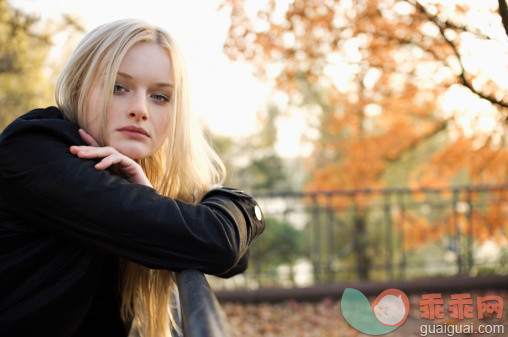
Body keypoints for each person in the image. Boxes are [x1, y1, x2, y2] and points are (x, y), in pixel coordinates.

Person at [0, 19, 265, 337]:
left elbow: (237, 258)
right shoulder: (36, 151)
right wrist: (243, 204)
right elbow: (220, 241)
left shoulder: (115, 169)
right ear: (78, 86)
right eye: (118, 87)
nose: (140, 109)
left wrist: (149, 197)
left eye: (160, 97)